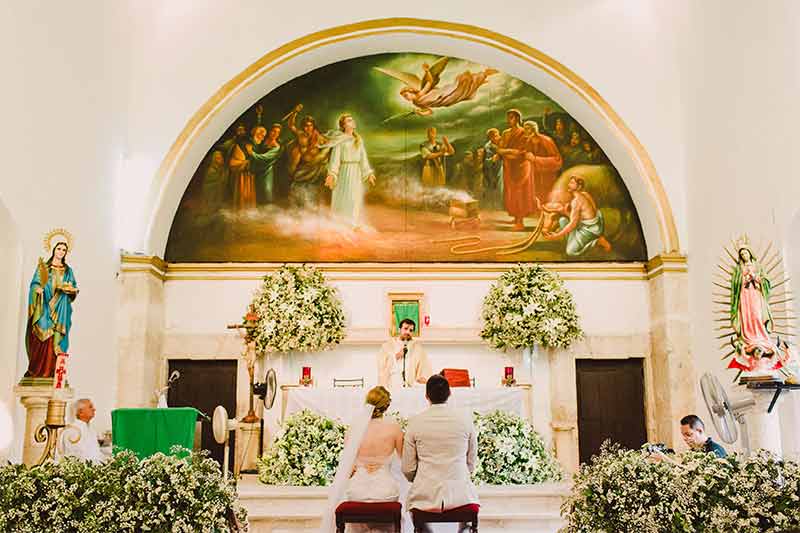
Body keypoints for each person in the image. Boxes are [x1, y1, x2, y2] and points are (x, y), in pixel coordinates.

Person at [322, 387, 405, 533]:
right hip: (385, 491)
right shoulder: (394, 428)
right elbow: (404, 460)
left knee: (354, 493)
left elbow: (349, 466)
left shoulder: (354, 429)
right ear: (386, 406)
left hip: (357, 491)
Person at [402, 375, 479, 528]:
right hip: (461, 492)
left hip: (425, 494)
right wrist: (461, 475)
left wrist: (418, 479)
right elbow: (471, 461)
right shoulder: (464, 420)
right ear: (450, 393)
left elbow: (408, 469)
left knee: (413, 506)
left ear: (426, 396)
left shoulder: (415, 422)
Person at [25, 241, 78, 378]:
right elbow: (35, 283)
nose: (61, 252)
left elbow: (72, 287)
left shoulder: (68, 271)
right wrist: (37, 289)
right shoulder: (44, 268)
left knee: (55, 337)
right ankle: (36, 370)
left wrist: (71, 290)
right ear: (54, 249)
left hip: (60, 308)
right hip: (44, 307)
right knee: (40, 333)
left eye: (64, 250)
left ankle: (51, 372)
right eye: (59, 249)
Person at [324, 113, 376, 229]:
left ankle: (352, 223)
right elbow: (335, 159)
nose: (352, 122)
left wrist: (369, 173)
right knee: (344, 197)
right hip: (344, 172)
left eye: (352, 120)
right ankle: (341, 223)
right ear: (343, 125)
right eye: (349, 120)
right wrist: (332, 174)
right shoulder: (340, 140)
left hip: (356, 172)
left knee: (355, 197)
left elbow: (363, 158)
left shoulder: (358, 139)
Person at [541, 176, 612, 255]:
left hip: (590, 230)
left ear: (579, 187)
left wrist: (557, 236)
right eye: (569, 182)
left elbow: (573, 223)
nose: (568, 184)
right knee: (562, 221)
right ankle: (574, 241)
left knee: (570, 252)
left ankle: (597, 241)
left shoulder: (576, 201)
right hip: (596, 224)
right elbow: (594, 211)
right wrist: (565, 212)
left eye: (572, 183)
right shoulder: (585, 194)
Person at [497, 109, 535, 231]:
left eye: (511, 117)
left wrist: (507, 152)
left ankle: (520, 221)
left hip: (521, 167)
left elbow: (522, 153)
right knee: (511, 193)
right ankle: (515, 216)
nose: (509, 120)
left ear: (518, 118)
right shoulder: (505, 133)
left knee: (520, 193)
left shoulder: (524, 132)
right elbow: (500, 149)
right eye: (508, 117)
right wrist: (509, 152)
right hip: (509, 166)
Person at [377, 318, 432, 389]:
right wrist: (397, 356)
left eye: (411, 330)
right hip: (393, 384)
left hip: (410, 385)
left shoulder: (417, 347)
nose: (408, 332)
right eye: (405, 328)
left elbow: (424, 365)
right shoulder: (388, 345)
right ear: (400, 329)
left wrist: (423, 377)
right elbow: (381, 364)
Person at [524, 120, 562, 198]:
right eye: (525, 129)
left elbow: (557, 160)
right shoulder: (528, 142)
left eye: (528, 129)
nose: (525, 131)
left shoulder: (547, 141)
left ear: (534, 129)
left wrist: (535, 159)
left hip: (548, 175)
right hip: (535, 176)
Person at [61, 398, 107, 463]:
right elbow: (76, 455)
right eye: (90, 407)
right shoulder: (73, 430)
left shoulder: (91, 429)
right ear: (80, 412)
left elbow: (95, 452)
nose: (94, 409)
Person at [247, 123, 282, 204]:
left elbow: (264, 157)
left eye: (277, 132)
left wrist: (251, 153)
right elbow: (257, 132)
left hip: (266, 170)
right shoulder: (263, 140)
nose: (275, 134)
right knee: (255, 188)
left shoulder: (276, 146)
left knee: (266, 189)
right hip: (256, 168)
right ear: (270, 131)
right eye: (273, 131)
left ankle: (266, 208)